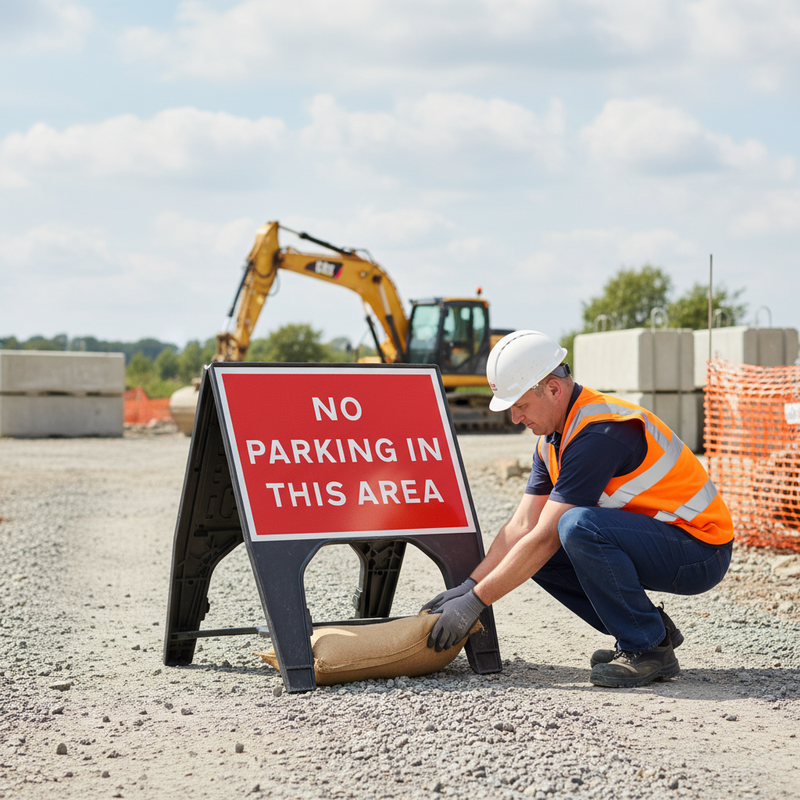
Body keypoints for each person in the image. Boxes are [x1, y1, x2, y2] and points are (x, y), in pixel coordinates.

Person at [422, 329, 734, 687]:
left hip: (701, 550)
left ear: (553, 388)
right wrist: (470, 585)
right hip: (664, 540)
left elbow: (546, 536)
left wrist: (476, 602)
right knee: (533, 555)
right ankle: (646, 630)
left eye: (520, 405)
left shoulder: (599, 431)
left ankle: (647, 647)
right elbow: (522, 527)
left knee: (575, 527)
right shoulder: (552, 441)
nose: (515, 419)